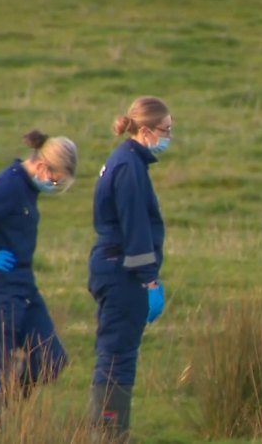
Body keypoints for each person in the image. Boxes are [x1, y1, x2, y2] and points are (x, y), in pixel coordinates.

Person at [0, 130, 78, 430]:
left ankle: (4, 406)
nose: (55, 185)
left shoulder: (27, 189)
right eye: (56, 180)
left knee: (51, 359)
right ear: (42, 168)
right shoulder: (9, 185)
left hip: (24, 287)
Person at [87, 96, 170, 439]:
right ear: (146, 130)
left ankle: (110, 430)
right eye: (166, 130)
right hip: (122, 273)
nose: (169, 136)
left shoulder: (125, 161)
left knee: (117, 353)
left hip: (114, 268)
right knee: (117, 356)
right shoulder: (130, 167)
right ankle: (108, 432)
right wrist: (150, 282)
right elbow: (135, 230)